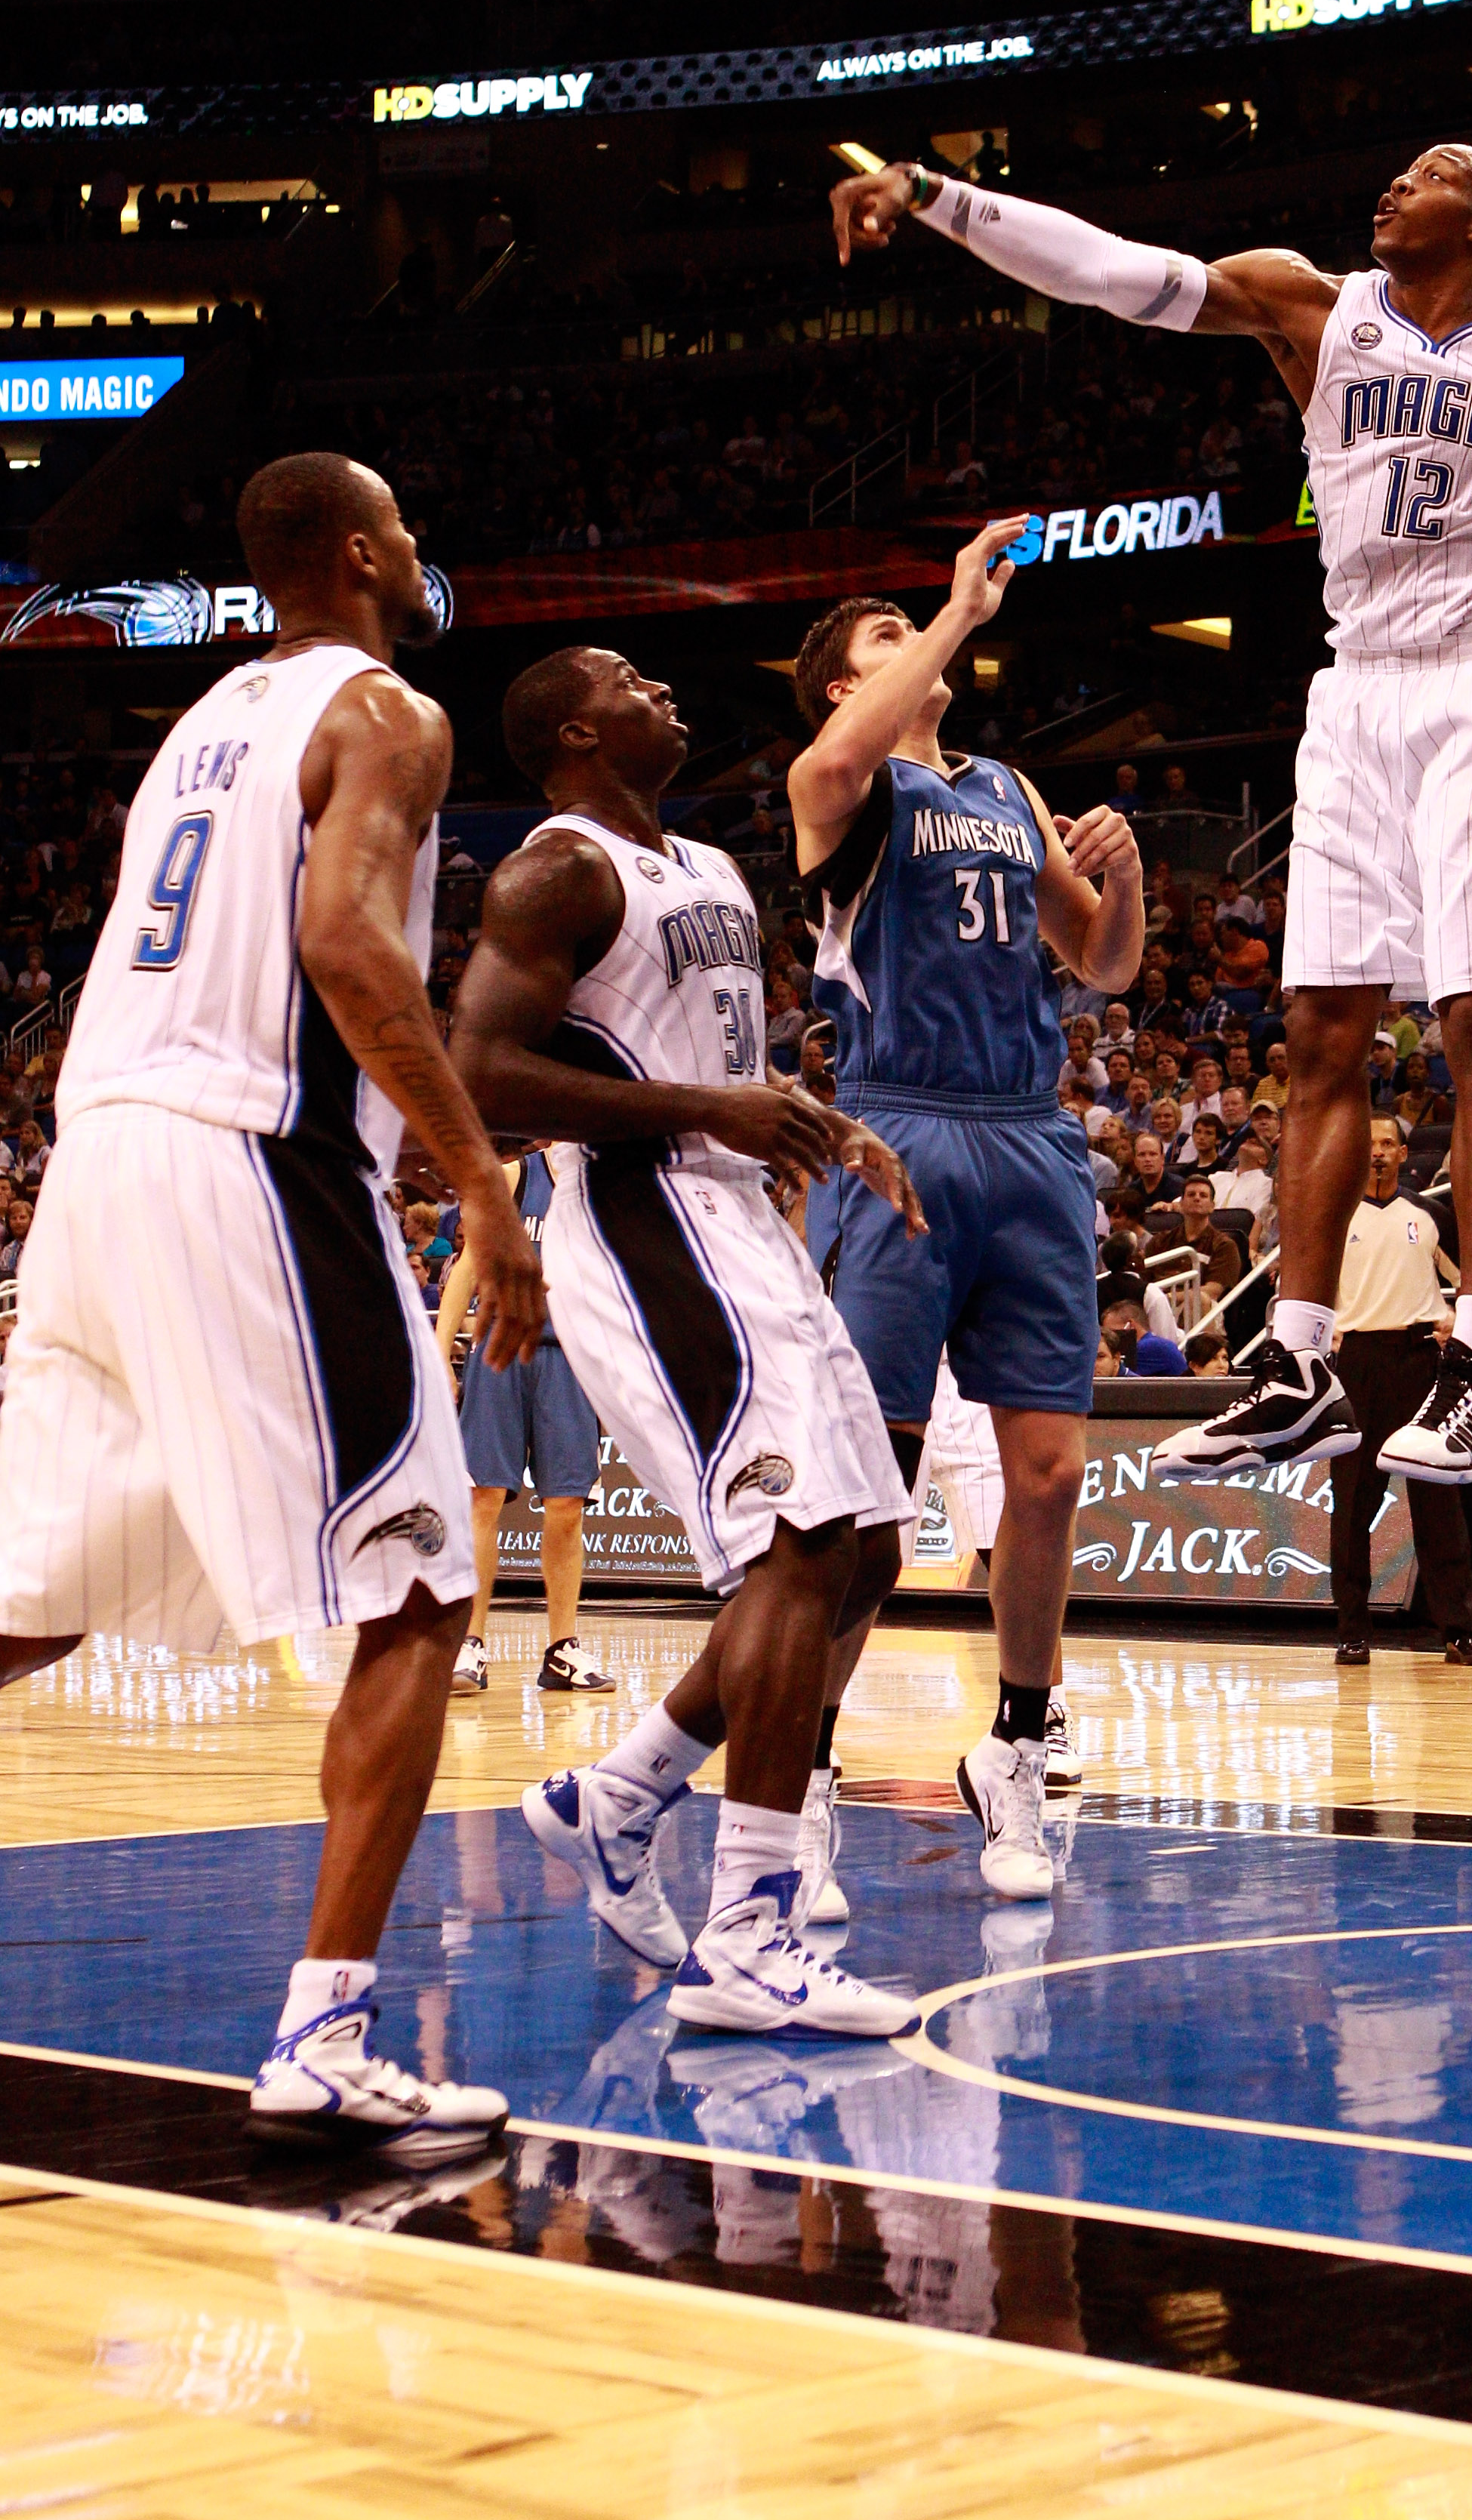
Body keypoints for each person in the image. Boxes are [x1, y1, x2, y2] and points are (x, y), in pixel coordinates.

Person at [831, 144, 1472, 1493]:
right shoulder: (1317, 309)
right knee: (1320, 1028)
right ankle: (1296, 1363)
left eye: (1428, 173)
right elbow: (1122, 279)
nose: (1391, 185)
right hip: (1356, 691)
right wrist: (942, 198)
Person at [0, 451, 547, 2157]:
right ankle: (325, 2033)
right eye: (415, 527)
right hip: (252, 1155)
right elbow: (347, 945)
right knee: (420, 1586)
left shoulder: (205, 719)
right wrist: (474, 1175)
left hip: (97, 1151)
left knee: (39, 1592)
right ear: (370, 551)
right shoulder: (387, 709)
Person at [448, 645, 926, 2039]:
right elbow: (478, 1072)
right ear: (582, 729)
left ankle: (623, 1796)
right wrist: (708, 1117)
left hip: (739, 1219)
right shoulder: (558, 869)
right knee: (791, 1546)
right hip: (643, 1224)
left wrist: (813, 1123)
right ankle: (748, 1933)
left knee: (866, 1548)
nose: (670, 688)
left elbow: (713, 1071)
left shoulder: (711, 866)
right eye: (633, 680)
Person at [784, 524, 1144, 1893]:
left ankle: (1014, 1743)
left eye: (913, 634)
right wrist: (949, 612)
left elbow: (1098, 964)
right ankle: (801, 1773)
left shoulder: (1001, 783)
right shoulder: (849, 786)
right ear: (841, 686)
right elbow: (831, 766)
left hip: (1029, 1134)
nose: (916, 648)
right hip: (899, 1129)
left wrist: (1126, 878)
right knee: (866, 1504)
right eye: (882, 643)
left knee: (1048, 1474)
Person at [436, 1151, 613, 1697]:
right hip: (501, 1349)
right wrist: (440, 1353)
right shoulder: (516, 1177)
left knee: (567, 1506)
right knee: (483, 1496)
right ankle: (469, 1641)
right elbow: (468, 1266)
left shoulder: (601, 1191)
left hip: (570, 1358)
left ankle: (562, 1649)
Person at [1329, 1117, 1472, 1667]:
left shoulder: (1428, 1214)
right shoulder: (1336, 1213)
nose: (1376, 1153)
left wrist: (1456, 1322)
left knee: (1438, 1498)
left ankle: (1458, 1630)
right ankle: (1352, 1630)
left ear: (1402, 1153)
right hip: (1356, 1363)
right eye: (1367, 1143)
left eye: (1385, 1143)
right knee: (1352, 1504)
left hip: (1421, 1360)